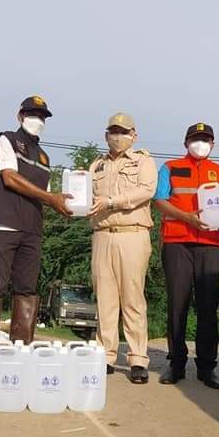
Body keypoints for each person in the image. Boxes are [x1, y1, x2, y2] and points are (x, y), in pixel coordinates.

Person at [0, 96, 72, 388]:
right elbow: (9, 178)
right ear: (20, 115)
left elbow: (48, 194)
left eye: (42, 116)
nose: (37, 120)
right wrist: (51, 199)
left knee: (27, 290)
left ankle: (19, 362)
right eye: (32, 114)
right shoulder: (6, 140)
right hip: (4, 223)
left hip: (32, 229)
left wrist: (67, 204)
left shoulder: (44, 157)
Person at [153, 123, 219, 390]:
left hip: (212, 244)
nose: (200, 144)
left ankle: (207, 367)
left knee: (208, 306)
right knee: (177, 305)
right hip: (177, 242)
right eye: (195, 139)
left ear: (213, 144)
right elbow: (160, 200)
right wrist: (186, 217)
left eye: (205, 139)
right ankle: (176, 363)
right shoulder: (170, 167)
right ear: (186, 142)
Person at [88, 113, 157, 385]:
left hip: (132, 234)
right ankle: (105, 355)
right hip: (102, 234)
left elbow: (146, 191)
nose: (118, 137)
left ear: (134, 135)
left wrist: (111, 201)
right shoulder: (97, 165)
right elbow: (87, 196)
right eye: (113, 132)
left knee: (132, 298)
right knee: (104, 299)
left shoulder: (143, 161)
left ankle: (138, 358)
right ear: (106, 135)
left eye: (123, 132)